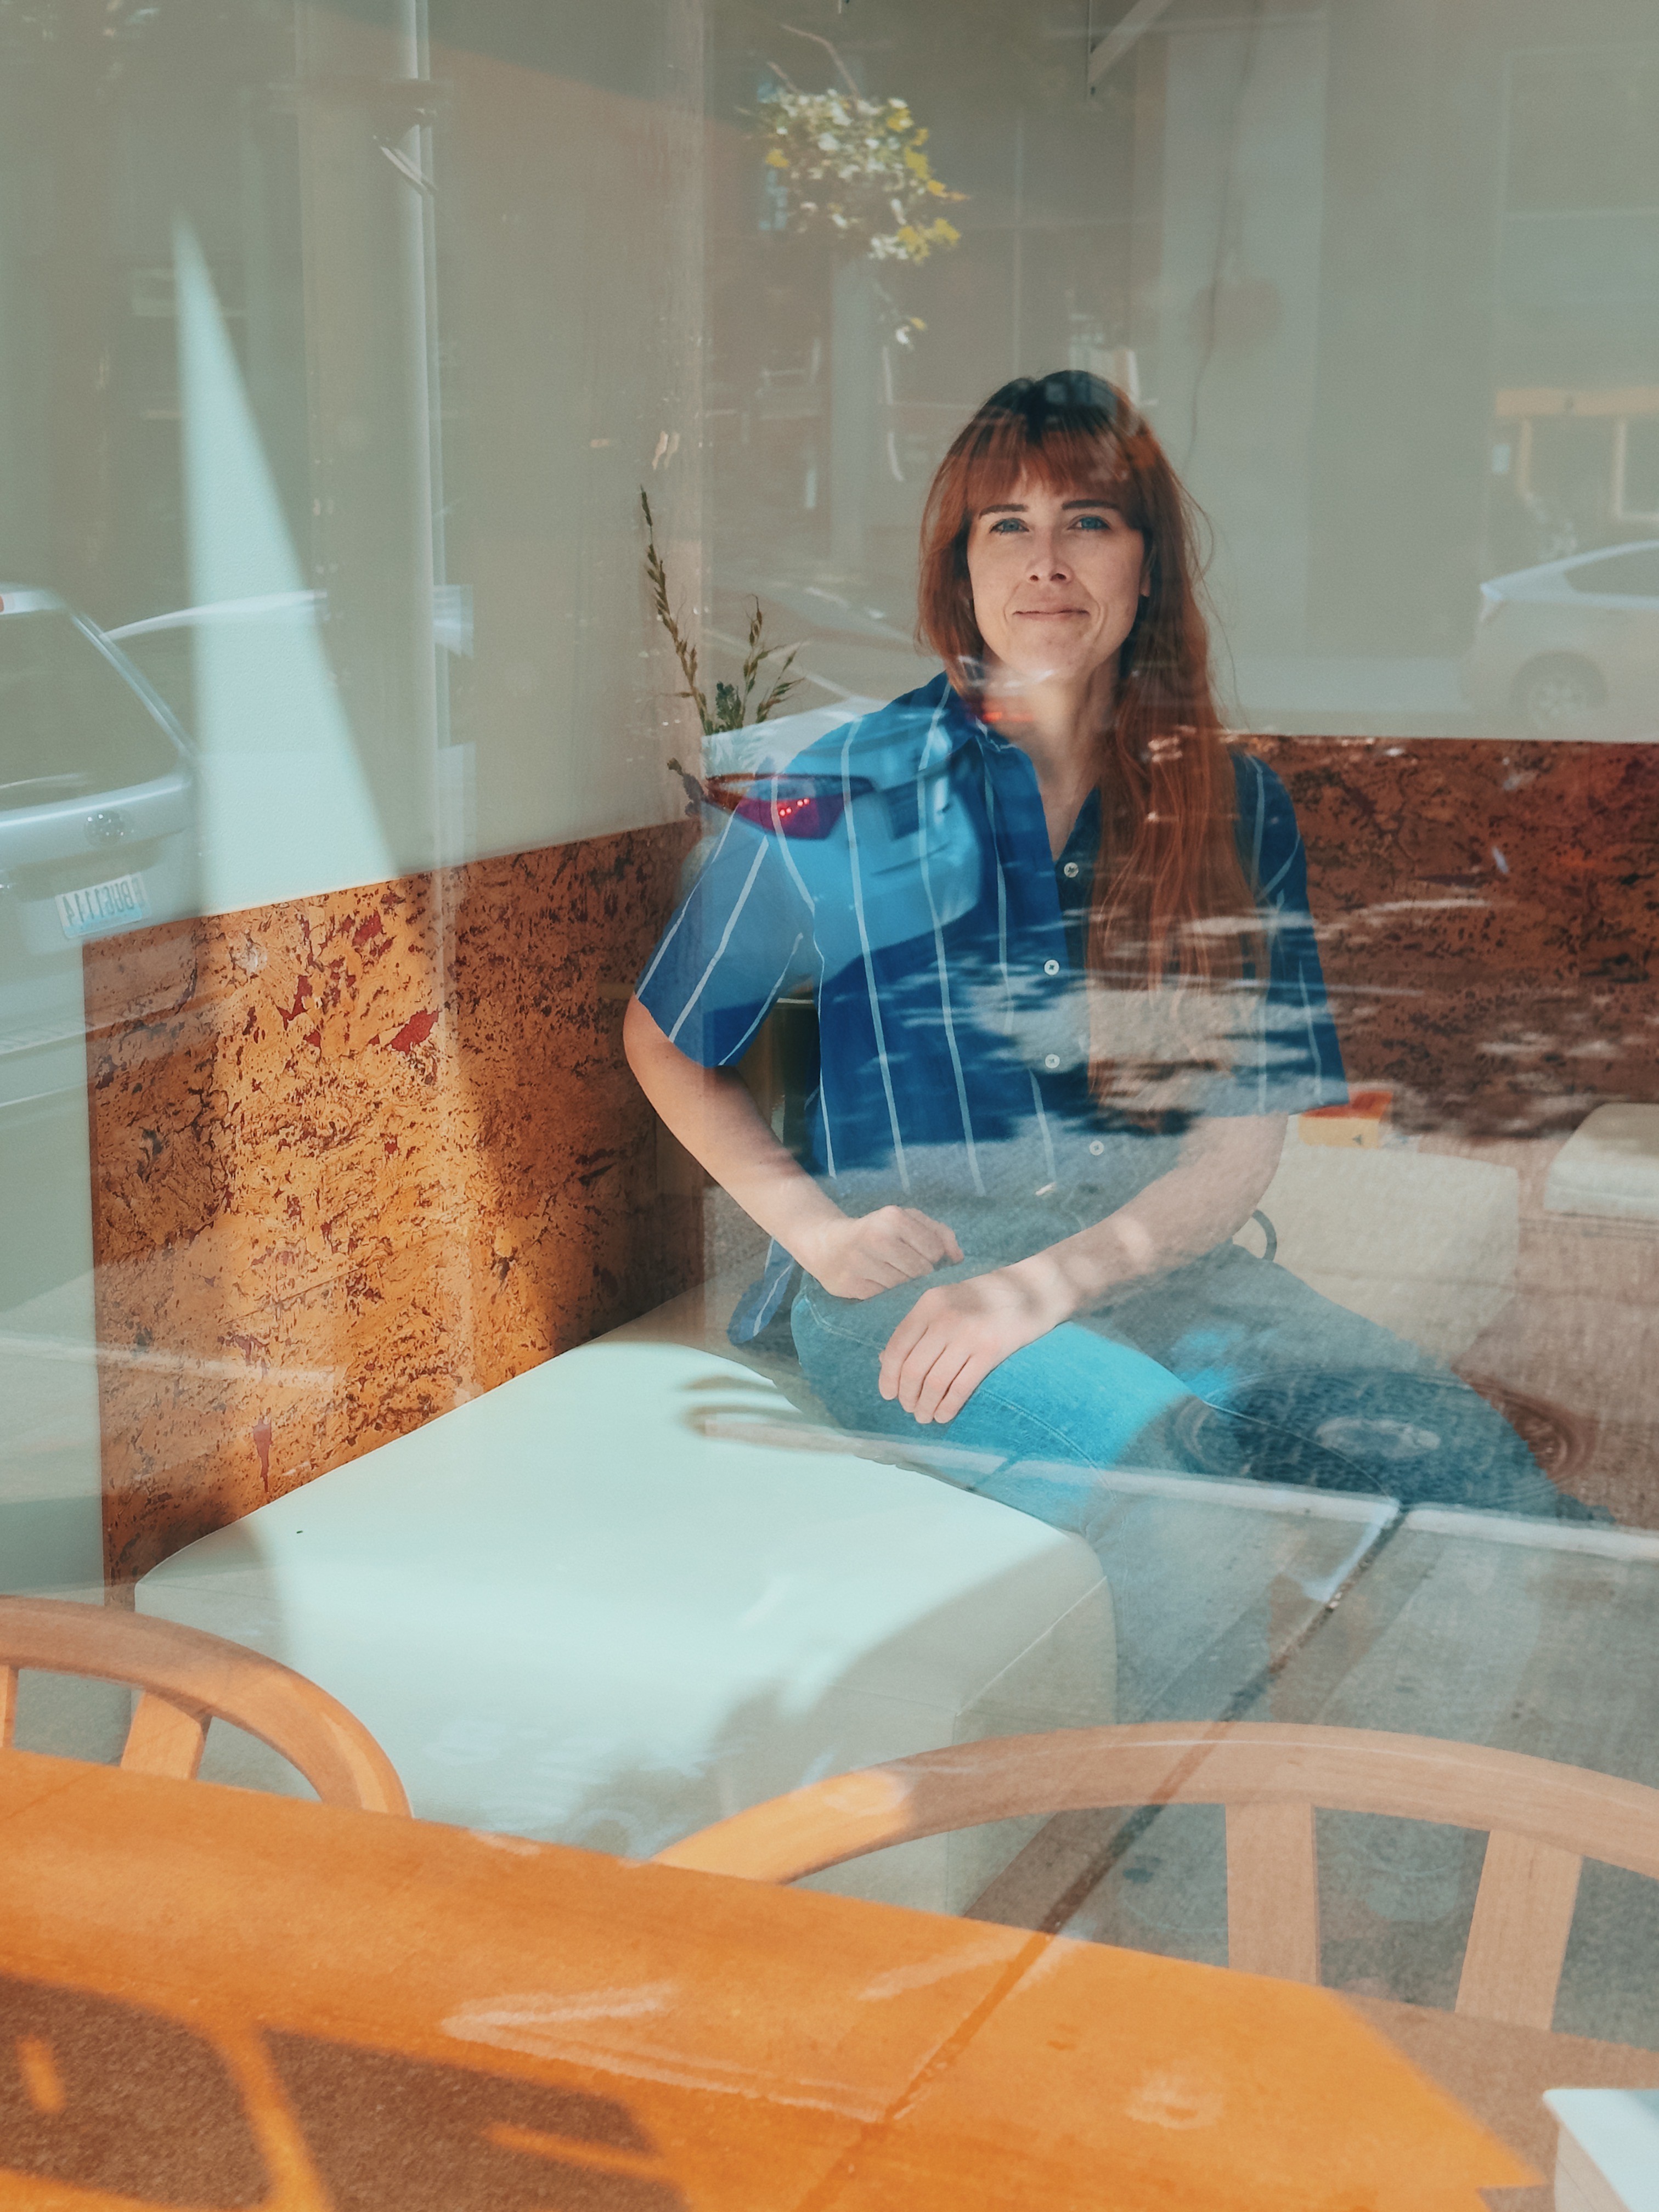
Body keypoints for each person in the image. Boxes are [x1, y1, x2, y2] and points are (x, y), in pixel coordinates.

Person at [625, 371, 1577, 1528]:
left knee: (1483, 1478)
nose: (1046, 562)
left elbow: (1235, 1153)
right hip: (911, 1291)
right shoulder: (841, 791)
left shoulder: (1235, 806)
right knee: (1173, 1489)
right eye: (1006, 526)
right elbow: (666, 1036)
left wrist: (1053, 1282)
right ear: (959, 568)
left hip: (1160, 1271)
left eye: (1088, 521)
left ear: (1147, 563)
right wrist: (818, 1233)